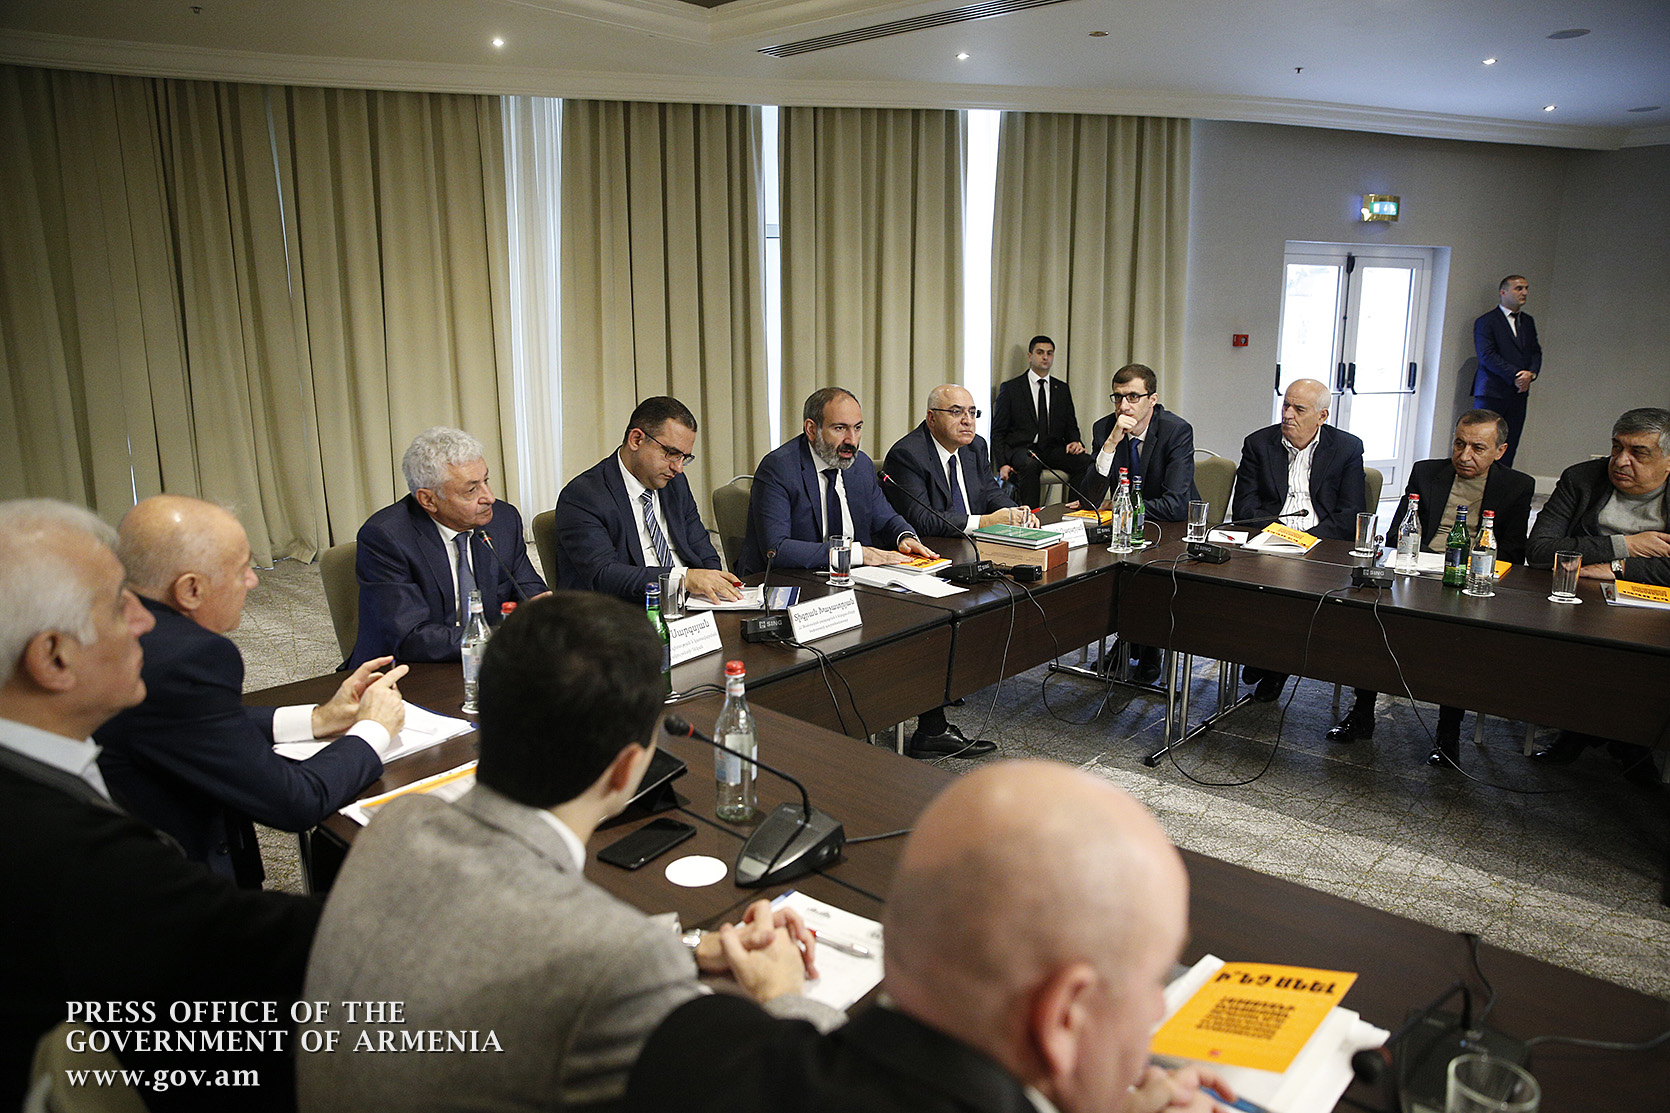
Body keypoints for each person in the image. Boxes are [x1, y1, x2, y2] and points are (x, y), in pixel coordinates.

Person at [298, 591, 839, 1112]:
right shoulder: (615, 960)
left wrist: (692, 946)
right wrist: (782, 994)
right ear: (626, 770)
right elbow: (798, 1097)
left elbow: (501, 944)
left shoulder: (397, 824)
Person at [624, 760, 1235, 1113]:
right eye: (1153, 981)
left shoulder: (691, 1048)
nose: (1157, 1008)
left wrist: (784, 1000)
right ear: (1062, 1018)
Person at [0, 499, 320, 1113]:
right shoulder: (72, 855)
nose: (146, 620)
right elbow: (256, 948)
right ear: (54, 657)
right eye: (117, 604)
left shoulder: (46, 752)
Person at [94, 496, 405, 886]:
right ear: (190, 589)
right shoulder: (189, 656)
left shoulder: (119, 626)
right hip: (170, 881)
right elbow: (295, 802)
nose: (254, 580)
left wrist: (316, 718)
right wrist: (373, 728)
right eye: (242, 569)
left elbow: (188, 718)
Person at [740, 387, 995, 759]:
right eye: (840, 429)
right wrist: (858, 553)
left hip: (851, 580)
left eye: (857, 428)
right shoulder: (780, 468)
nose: (851, 440)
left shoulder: (858, 466)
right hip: (792, 582)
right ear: (811, 429)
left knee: (924, 614)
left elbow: (885, 516)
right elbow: (776, 548)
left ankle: (931, 729)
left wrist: (905, 537)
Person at [1328, 412, 1533, 767]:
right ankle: (1362, 712)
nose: (1464, 455)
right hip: (1417, 568)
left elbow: (1513, 553)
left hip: (1470, 579)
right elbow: (1397, 532)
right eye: (1459, 444)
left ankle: (1447, 732)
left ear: (1500, 451)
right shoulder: (1426, 472)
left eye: (1477, 448)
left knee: (1457, 640)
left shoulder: (1516, 486)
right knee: (1373, 617)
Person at [1523, 407, 1670, 776]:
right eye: (1617, 447)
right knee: (1583, 645)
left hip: (1652, 602)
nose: (1620, 461)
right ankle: (1581, 730)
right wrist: (1626, 545)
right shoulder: (1582, 478)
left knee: (1642, 654)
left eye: (1638, 453)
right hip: (1582, 595)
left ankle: (1631, 737)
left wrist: (1617, 568)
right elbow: (1539, 550)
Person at [348, 426, 547, 669]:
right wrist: (502, 638)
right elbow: (410, 637)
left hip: (488, 659)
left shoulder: (503, 520)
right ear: (428, 500)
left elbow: (527, 589)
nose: (489, 497)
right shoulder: (386, 537)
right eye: (471, 490)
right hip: (407, 668)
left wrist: (542, 611)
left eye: (486, 481)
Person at [1233, 378, 1367, 701]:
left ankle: (1274, 664)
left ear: (1322, 416)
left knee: (1295, 590)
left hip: (1321, 545)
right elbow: (1245, 508)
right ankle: (1264, 653)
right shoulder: (1258, 443)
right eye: (1286, 405)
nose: (1287, 414)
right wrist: (1282, 535)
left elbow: (1350, 513)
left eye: (1299, 409)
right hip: (1270, 540)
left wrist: (1308, 541)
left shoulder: (1347, 448)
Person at [555, 396, 742, 603]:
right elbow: (603, 574)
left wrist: (714, 592)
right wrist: (681, 578)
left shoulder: (675, 484)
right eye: (671, 453)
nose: (678, 468)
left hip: (689, 605)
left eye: (684, 457)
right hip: (627, 609)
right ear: (636, 440)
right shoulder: (584, 495)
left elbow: (703, 551)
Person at [881, 384, 1036, 538]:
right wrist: (984, 522)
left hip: (977, 542)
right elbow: (922, 520)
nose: (968, 421)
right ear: (932, 418)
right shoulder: (907, 455)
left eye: (972, 412)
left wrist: (1017, 514)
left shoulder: (976, 446)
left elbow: (990, 492)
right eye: (956, 412)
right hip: (936, 545)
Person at [1078, 362, 1200, 517]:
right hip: (1125, 525)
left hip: (1171, 524)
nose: (1123, 407)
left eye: (1133, 397)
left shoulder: (1175, 431)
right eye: (1118, 397)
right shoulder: (1104, 429)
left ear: (1152, 400)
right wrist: (1110, 444)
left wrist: (1115, 505)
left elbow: (1174, 506)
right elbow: (1089, 501)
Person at [990, 335, 1090, 508]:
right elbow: (998, 431)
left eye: (1049, 353)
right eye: (1040, 352)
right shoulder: (1012, 388)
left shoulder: (1061, 389)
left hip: (1052, 449)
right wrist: (1002, 464)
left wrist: (1075, 441)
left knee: (1085, 461)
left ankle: (1074, 513)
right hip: (1022, 449)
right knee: (1030, 464)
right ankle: (1031, 516)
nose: (1045, 357)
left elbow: (1070, 424)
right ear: (1030, 356)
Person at [1472, 275, 1541, 468]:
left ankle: (1502, 482)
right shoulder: (1487, 321)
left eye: (1526, 288)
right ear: (1503, 292)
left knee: (1509, 444)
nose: (1524, 292)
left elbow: (1535, 352)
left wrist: (1531, 374)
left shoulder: (1527, 321)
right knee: (1481, 441)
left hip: (1518, 393)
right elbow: (1487, 355)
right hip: (1492, 392)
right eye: (1519, 288)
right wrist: (1517, 375)